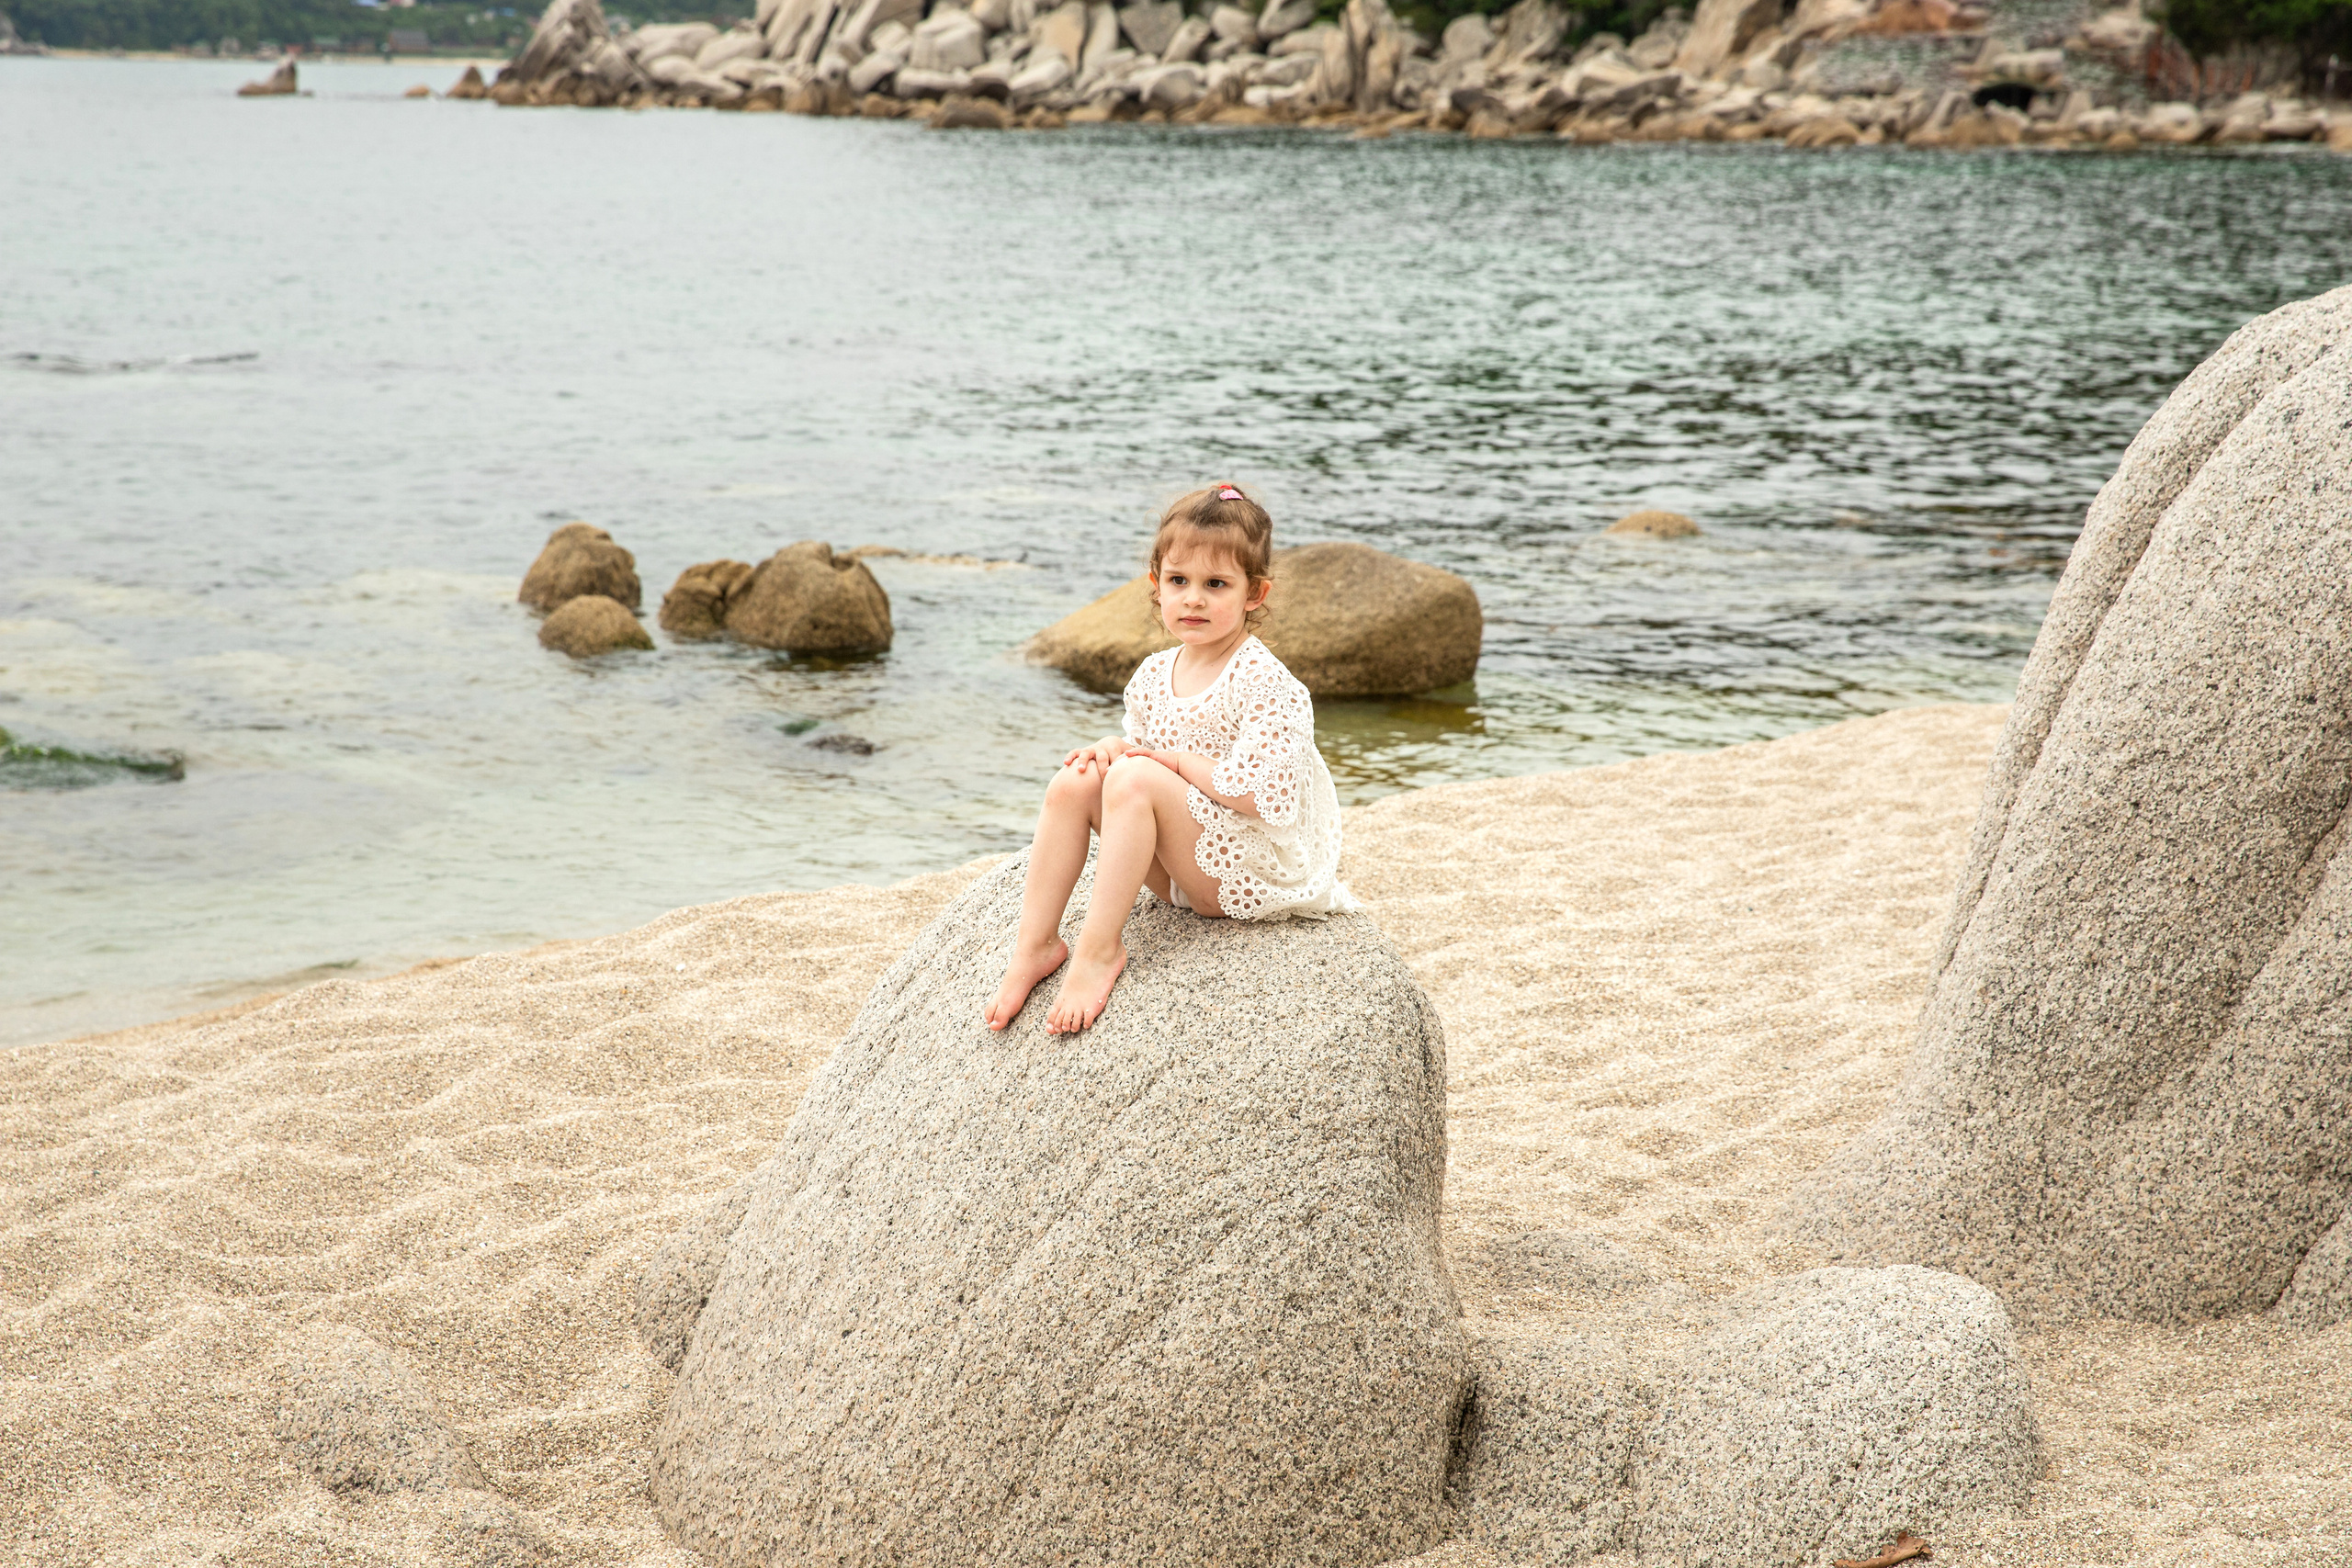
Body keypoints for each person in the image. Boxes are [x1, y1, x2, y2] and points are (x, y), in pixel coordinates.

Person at [985, 484, 1356, 1035]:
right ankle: (1035, 944)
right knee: (1077, 781)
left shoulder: (1266, 682)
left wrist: (1174, 764)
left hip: (1243, 869)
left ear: (1255, 594)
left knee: (1135, 780)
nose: (1194, 599)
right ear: (1156, 587)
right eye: (1179, 582)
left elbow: (1265, 796)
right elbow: (1144, 756)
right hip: (1181, 864)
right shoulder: (1154, 676)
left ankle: (1098, 952)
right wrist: (1114, 752)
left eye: (1216, 585)